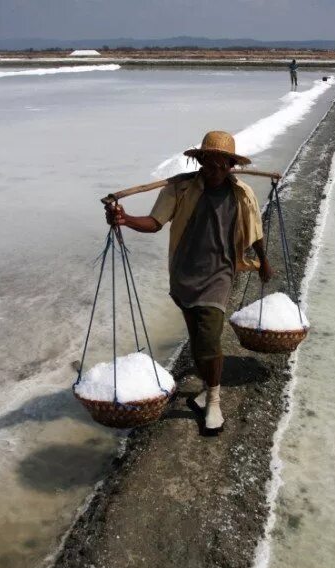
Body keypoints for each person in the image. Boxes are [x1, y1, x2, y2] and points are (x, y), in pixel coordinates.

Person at [105, 131, 273, 435]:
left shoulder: (242, 194)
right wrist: (125, 219)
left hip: (219, 275)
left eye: (223, 165)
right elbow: (155, 223)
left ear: (231, 166)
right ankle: (205, 390)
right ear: (200, 161)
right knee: (197, 339)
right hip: (184, 274)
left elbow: (255, 231)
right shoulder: (180, 189)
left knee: (209, 338)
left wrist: (264, 262)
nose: (215, 170)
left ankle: (213, 400)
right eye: (210, 163)